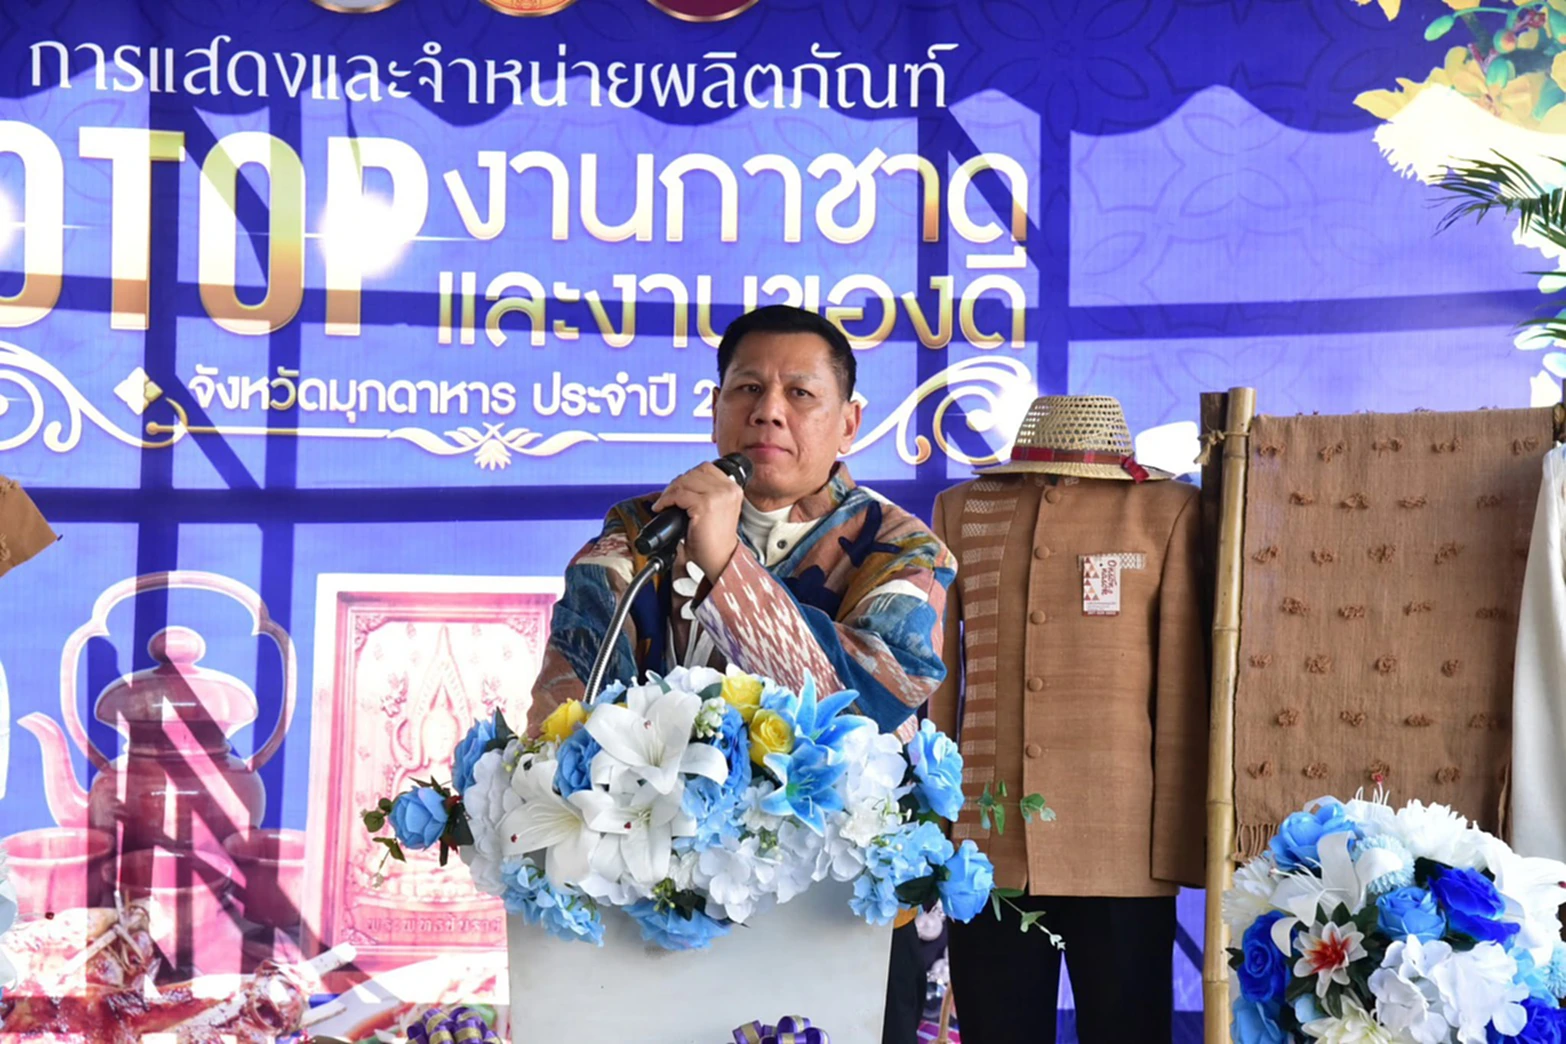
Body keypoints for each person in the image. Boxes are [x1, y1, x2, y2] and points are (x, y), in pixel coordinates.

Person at [527, 303, 956, 746]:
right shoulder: (644, 527)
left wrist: (725, 564)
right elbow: (563, 720)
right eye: (749, 388)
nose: (768, 411)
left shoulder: (903, 547)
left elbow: (869, 710)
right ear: (716, 409)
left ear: (849, 424)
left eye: (800, 393)